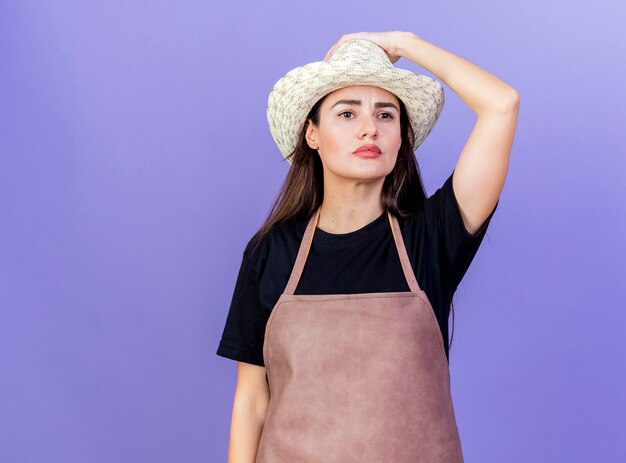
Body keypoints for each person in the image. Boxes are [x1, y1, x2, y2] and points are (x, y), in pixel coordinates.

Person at [216, 31, 519, 462]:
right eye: (346, 113)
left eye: (385, 114)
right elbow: (251, 403)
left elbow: (501, 104)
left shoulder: (432, 236)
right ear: (312, 135)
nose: (368, 128)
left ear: (401, 139)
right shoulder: (271, 251)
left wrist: (404, 43)